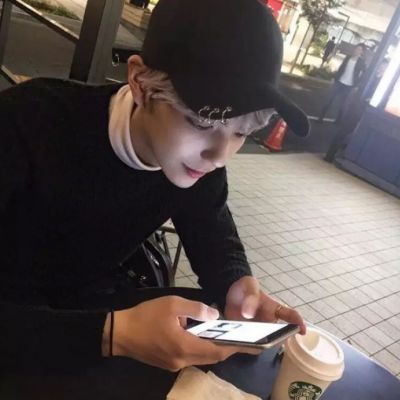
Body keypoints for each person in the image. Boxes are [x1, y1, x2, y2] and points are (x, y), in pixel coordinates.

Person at [0, 0, 309, 372]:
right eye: (202, 123)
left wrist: (237, 286)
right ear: (141, 84)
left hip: (89, 308)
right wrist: (113, 334)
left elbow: (212, 230)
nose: (220, 155)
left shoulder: (198, 165)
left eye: (242, 133)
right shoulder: (25, 123)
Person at [324, 58, 389, 162]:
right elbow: (358, 86)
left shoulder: (384, 83)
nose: (382, 68)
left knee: (354, 133)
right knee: (345, 129)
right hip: (356, 106)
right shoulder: (370, 76)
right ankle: (331, 155)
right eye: (382, 65)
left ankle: (341, 154)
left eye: (384, 66)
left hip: (367, 110)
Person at [319, 43, 367, 123]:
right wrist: (335, 78)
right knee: (329, 99)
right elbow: (341, 68)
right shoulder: (348, 57)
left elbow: (363, 75)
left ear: (362, 52)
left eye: (359, 50)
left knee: (344, 104)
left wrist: (357, 85)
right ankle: (321, 117)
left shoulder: (361, 62)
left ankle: (338, 120)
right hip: (340, 82)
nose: (357, 50)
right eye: (356, 48)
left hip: (349, 86)